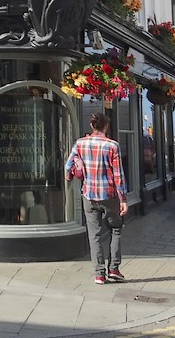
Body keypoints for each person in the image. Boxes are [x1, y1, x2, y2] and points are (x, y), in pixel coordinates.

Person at [66, 112, 128, 285]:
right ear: (106, 126)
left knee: (94, 235)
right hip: (109, 195)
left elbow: (68, 165)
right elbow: (118, 175)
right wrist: (123, 199)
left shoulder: (80, 143)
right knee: (116, 229)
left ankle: (99, 274)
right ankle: (114, 268)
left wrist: (71, 175)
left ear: (92, 126)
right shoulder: (112, 146)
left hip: (89, 195)